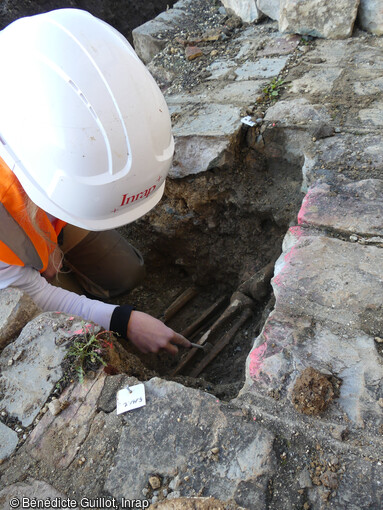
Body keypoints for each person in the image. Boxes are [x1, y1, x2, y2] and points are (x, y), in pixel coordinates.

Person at [0, 8, 191, 355]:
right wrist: (125, 321)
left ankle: (62, 251)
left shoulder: (38, 97)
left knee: (125, 275)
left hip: (46, 215)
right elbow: (39, 296)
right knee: (65, 324)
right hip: (11, 258)